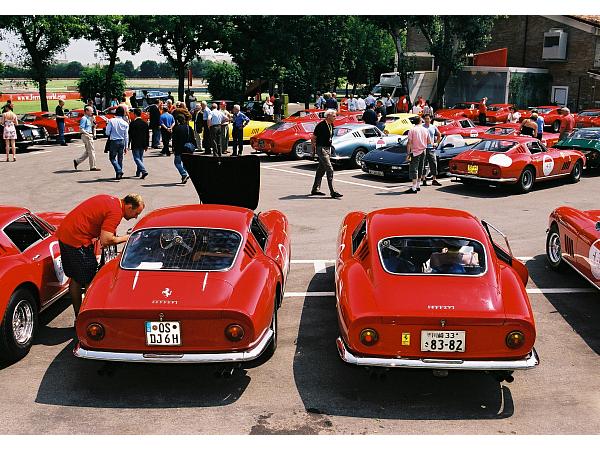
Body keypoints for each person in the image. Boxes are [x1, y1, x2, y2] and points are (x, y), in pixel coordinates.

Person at [56, 193, 145, 317]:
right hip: (78, 240)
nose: (135, 217)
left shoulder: (111, 200)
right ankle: (90, 317)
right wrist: (128, 238)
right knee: (91, 281)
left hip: (65, 235)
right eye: (136, 213)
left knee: (75, 279)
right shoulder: (115, 212)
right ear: (129, 207)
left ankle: (79, 315)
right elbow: (106, 240)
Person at [310, 109, 342, 198]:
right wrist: (313, 150)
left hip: (328, 149)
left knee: (321, 170)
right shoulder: (321, 125)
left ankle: (315, 189)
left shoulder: (331, 125)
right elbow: (313, 138)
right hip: (321, 149)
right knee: (329, 168)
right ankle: (333, 191)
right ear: (328, 116)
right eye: (334, 116)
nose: (335, 117)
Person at [405, 115, 432, 194]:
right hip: (423, 150)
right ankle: (418, 185)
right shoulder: (425, 130)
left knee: (414, 169)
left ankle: (413, 188)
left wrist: (408, 153)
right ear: (420, 121)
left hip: (415, 151)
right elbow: (429, 142)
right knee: (421, 167)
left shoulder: (412, 130)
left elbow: (409, 143)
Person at [73, 106, 100, 172]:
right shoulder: (84, 118)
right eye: (91, 111)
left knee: (88, 152)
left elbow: (94, 126)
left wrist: (94, 122)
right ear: (86, 111)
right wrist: (87, 134)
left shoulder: (89, 118)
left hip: (89, 134)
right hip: (86, 135)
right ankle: (93, 166)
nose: (92, 113)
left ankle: (77, 161)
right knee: (91, 151)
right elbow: (81, 129)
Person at [106, 106, 129, 180]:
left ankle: (118, 170)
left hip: (114, 140)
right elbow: (126, 136)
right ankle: (119, 174)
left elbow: (107, 132)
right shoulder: (125, 123)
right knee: (120, 158)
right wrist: (126, 146)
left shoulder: (111, 121)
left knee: (112, 158)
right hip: (122, 141)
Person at [421, 114, 442, 187]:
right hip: (423, 148)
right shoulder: (421, 127)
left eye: (428, 119)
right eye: (425, 119)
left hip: (431, 149)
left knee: (433, 163)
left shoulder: (433, 127)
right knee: (423, 164)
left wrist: (437, 143)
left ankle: (434, 179)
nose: (426, 120)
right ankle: (423, 179)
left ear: (430, 119)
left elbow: (439, 135)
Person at [128, 108, 149, 179]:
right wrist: (147, 145)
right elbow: (147, 135)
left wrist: (128, 144)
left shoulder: (132, 124)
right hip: (143, 143)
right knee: (140, 157)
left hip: (135, 143)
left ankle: (143, 170)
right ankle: (138, 172)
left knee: (136, 158)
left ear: (135, 114)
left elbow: (130, 135)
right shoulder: (145, 123)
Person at [171, 115, 193, 184]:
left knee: (177, 162)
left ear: (178, 121)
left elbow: (174, 140)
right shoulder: (189, 128)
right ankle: (185, 174)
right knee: (185, 163)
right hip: (188, 147)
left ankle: (184, 174)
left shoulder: (176, 128)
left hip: (179, 148)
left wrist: (173, 148)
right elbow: (192, 138)